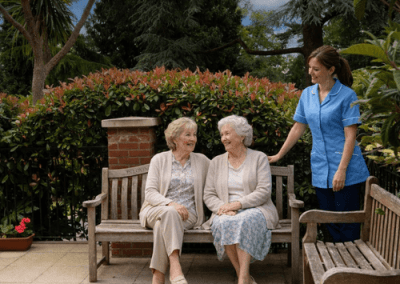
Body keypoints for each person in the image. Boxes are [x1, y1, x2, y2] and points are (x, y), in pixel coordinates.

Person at [268, 45, 369, 242]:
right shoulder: (307, 94)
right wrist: (280, 155)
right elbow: (298, 127)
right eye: (310, 68)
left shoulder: (347, 95)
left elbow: (350, 137)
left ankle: (349, 270)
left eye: (316, 69)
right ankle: (334, 270)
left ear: (331, 70)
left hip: (346, 171)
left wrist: (341, 170)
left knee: (346, 224)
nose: (310, 73)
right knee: (328, 223)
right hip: (321, 169)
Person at [203, 115, 279, 284]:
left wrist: (238, 204)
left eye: (228, 133)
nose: (223, 138)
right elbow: (208, 194)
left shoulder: (259, 158)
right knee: (224, 222)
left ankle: (242, 277)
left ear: (242, 136)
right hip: (226, 210)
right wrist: (224, 208)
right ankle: (243, 276)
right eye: (222, 134)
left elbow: (264, 191)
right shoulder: (216, 162)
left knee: (244, 219)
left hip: (257, 209)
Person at [139, 117, 210, 284]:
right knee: (169, 213)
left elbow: (223, 171)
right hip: (155, 209)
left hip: (189, 215)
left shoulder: (203, 161)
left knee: (161, 225)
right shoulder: (159, 159)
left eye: (194, 134)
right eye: (188, 134)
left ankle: (158, 275)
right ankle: (175, 266)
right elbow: (150, 193)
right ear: (174, 138)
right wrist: (171, 204)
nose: (193, 139)